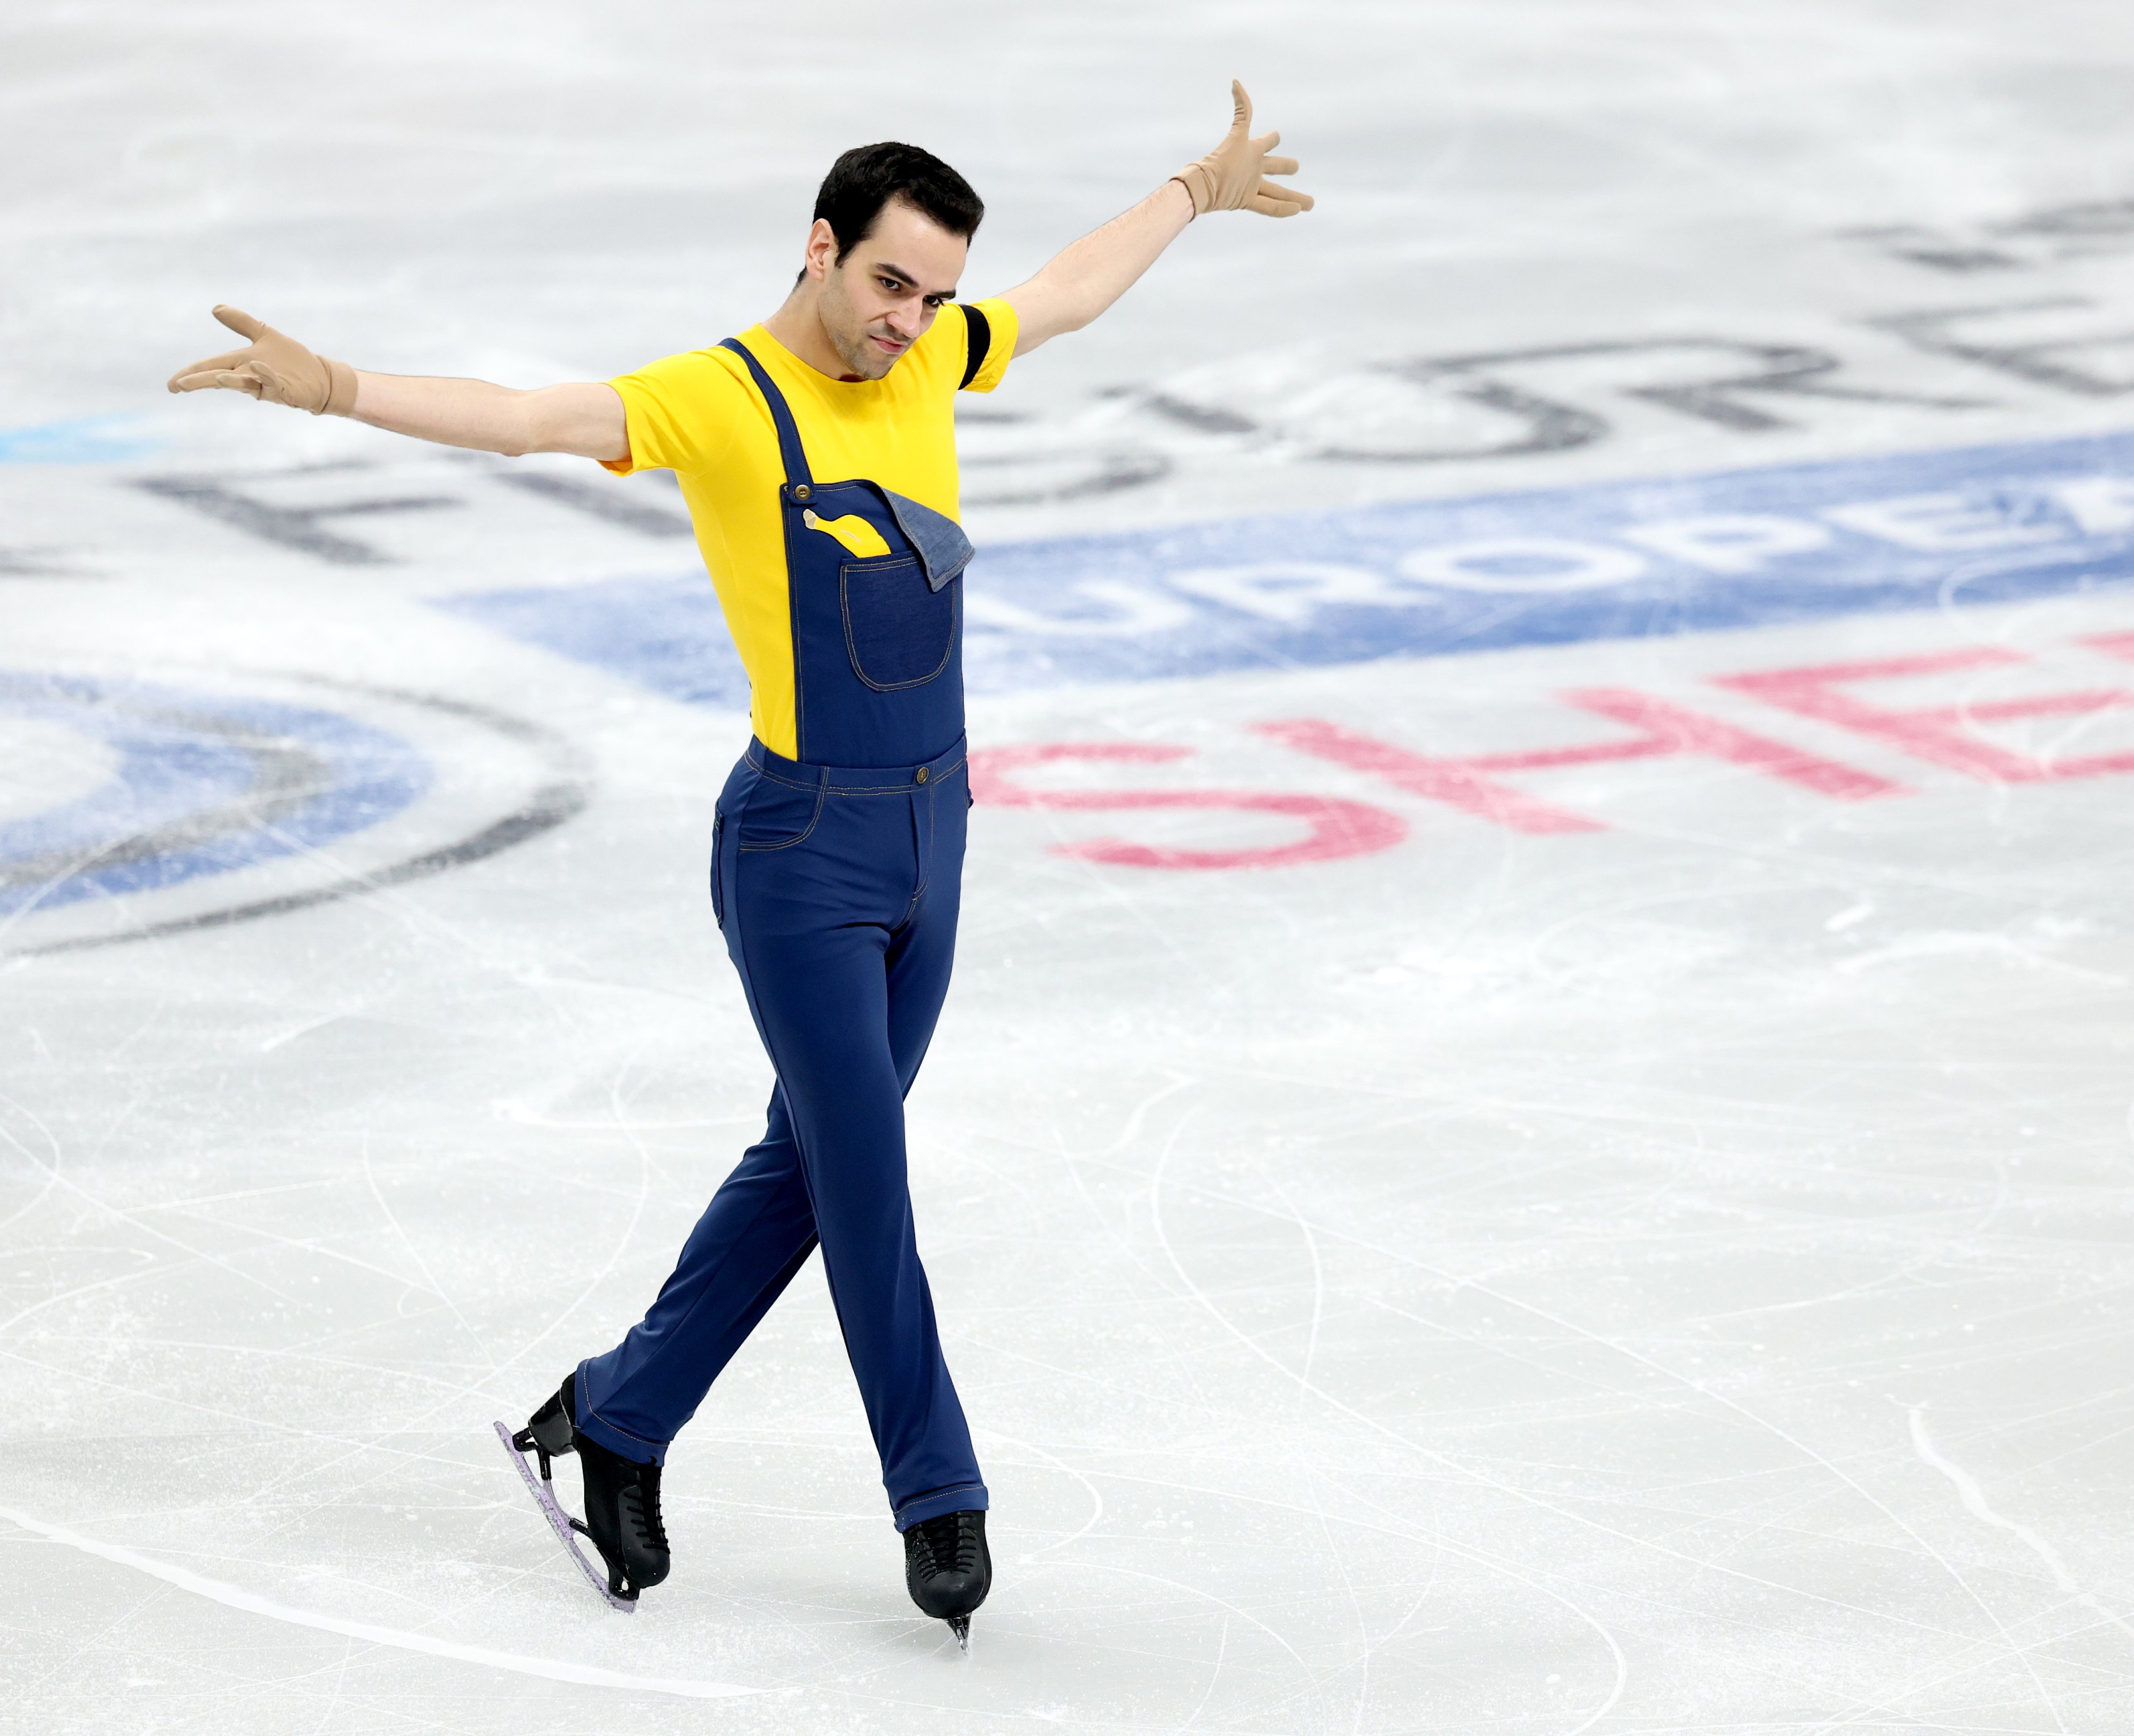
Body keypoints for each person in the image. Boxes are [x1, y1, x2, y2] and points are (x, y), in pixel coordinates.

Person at [166, 81, 1312, 1645]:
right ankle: (937, 1489)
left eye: (933, 296)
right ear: (820, 248)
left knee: (810, 1168)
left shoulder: (940, 351)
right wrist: (335, 385)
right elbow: (526, 418)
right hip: (799, 855)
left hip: (935, 834)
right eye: (886, 282)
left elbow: (1066, 295)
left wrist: (1194, 184)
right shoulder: (720, 397)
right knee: (867, 1179)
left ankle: (614, 1419)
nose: (909, 322)